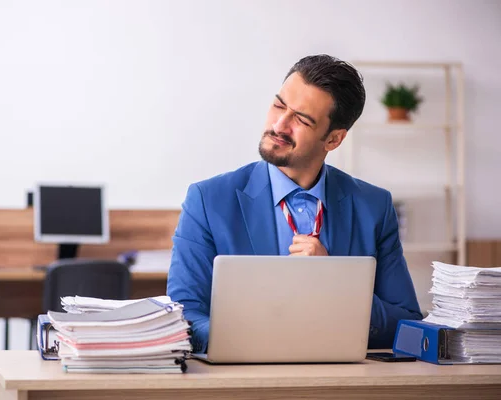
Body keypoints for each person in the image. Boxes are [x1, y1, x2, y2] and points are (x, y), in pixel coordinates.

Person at [167, 54, 422, 353]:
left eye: (301, 119)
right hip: (240, 382)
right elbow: (183, 316)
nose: (279, 124)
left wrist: (336, 284)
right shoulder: (207, 201)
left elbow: (408, 326)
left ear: (333, 139)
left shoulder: (374, 207)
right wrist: (252, 338)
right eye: (278, 105)